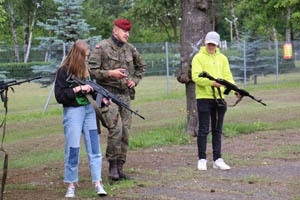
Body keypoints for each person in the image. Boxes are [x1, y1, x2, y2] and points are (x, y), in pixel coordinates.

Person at [88, 19, 146, 181]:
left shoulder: (130, 49)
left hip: (125, 95)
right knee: (116, 128)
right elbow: (92, 71)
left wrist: (135, 80)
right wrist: (110, 73)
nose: (127, 34)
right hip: (107, 95)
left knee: (126, 131)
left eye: (128, 31)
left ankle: (120, 167)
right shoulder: (101, 47)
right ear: (115, 31)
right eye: (124, 31)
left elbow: (142, 66)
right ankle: (112, 166)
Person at [55, 40, 107, 198]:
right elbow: (60, 96)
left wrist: (102, 101)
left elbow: (93, 92)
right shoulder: (63, 71)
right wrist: (78, 89)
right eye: (84, 56)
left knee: (95, 148)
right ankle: (71, 185)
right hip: (73, 113)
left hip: (89, 112)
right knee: (73, 148)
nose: (86, 59)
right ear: (77, 55)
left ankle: (98, 183)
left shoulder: (86, 70)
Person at [191, 31, 240, 171]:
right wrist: (212, 83)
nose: (211, 46)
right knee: (203, 129)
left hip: (219, 99)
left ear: (217, 44)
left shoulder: (223, 58)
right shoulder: (198, 58)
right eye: (209, 43)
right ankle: (202, 159)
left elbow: (227, 76)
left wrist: (235, 89)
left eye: (214, 44)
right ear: (205, 42)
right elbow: (196, 77)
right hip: (203, 98)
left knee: (217, 130)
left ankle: (218, 159)